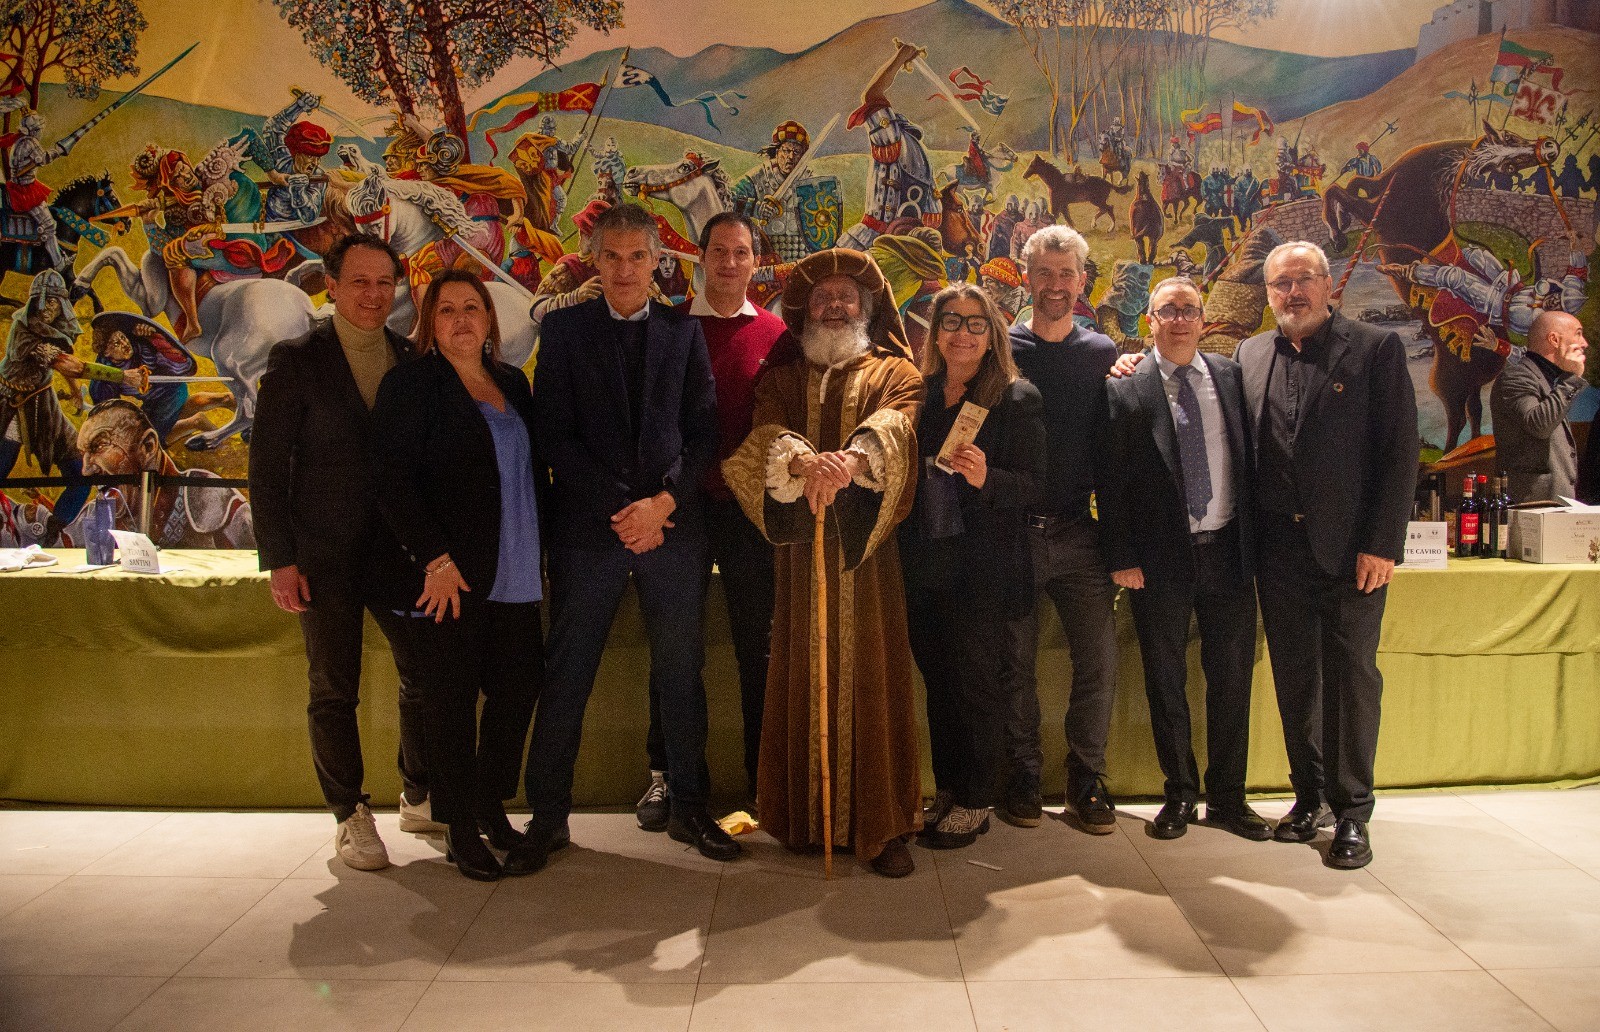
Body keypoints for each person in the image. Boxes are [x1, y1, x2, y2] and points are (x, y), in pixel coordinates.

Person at [508, 203, 736, 875]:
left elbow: (704, 432)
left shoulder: (683, 331)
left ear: (658, 262)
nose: (626, 269)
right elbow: (554, 434)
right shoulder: (565, 330)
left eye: (639, 256)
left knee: (680, 672)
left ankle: (690, 807)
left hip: (674, 526)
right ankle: (548, 817)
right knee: (568, 671)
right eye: (613, 256)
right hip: (590, 529)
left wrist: (661, 504)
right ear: (595, 260)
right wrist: (623, 510)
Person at [722, 247, 924, 877]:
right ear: (804, 311)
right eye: (823, 297)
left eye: (847, 296)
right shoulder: (782, 379)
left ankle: (880, 824)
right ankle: (803, 818)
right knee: (798, 666)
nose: (835, 305)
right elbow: (765, 433)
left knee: (873, 673)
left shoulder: (895, 371)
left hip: (869, 563)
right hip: (799, 559)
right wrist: (801, 460)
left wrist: (852, 461)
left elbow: (899, 423)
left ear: (867, 307)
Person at [250, 233, 434, 872]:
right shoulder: (297, 359)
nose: (374, 295)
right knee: (333, 686)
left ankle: (419, 792)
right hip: (322, 556)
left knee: (424, 671)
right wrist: (279, 558)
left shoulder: (410, 357)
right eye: (360, 281)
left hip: (399, 553)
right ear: (331, 287)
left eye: (385, 282)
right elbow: (267, 465)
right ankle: (349, 813)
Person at [1242, 241, 1417, 869]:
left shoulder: (1375, 349)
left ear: (1327, 284)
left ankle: (1352, 813)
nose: (1293, 293)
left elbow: (1401, 453)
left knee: (1350, 681)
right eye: (1281, 283)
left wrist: (1382, 544)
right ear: (1269, 293)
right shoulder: (1250, 353)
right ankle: (1308, 796)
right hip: (1277, 553)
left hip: (1351, 555)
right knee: (1295, 679)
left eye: (1304, 280)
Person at [369, 270, 542, 882]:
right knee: (450, 702)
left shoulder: (513, 384)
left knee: (517, 690)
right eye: (447, 310)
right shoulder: (410, 386)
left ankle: (490, 804)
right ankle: (459, 828)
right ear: (429, 324)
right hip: (450, 577)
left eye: (473, 307)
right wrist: (434, 559)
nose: (462, 319)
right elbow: (391, 482)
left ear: (490, 319)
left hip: (517, 567)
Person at [1098, 277, 1269, 842]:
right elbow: (1112, 481)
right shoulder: (1126, 387)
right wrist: (1122, 555)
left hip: (1228, 552)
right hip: (1158, 561)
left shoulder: (1231, 376)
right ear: (1150, 320)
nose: (1178, 320)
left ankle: (1229, 799)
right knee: (1166, 681)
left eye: (1188, 310)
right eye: (1166, 310)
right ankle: (1179, 794)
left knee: (1231, 681)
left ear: (1203, 320)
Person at [635, 213, 786, 829]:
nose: (729, 262)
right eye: (718, 251)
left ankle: (765, 780)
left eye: (740, 252)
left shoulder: (777, 334)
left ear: (756, 261)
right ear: (700, 257)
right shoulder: (668, 327)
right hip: (680, 509)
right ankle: (666, 778)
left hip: (749, 514)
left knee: (760, 647)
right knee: (675, 647)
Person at [900, 283, 1043, 849]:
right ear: (936, 332)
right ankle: (950, 789)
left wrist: (988, 478)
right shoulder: (920, 395)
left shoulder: (1015, 397)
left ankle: (978, 799)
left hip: (981, 570)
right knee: (939, 684)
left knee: (976, 686)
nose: (963, 333)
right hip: (924, 564)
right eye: (952, 322)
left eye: (976, 323)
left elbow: (1035, 486)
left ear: (993, 334)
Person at [1002, 225, 1121, 835]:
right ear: (1027, 277)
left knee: (1098, 660)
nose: (1055, 285)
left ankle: (1086, 779)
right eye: (1044, 273)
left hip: (1080, 533)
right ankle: (1022, 777)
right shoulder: (1001, 347)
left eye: (1066, 274)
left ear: (1082, 279)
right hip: (1012, 534)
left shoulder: (1103, 353)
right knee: (1014, 665)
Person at [2, 270, 147, 531]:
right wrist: (122, 376)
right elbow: (69, 364)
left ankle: (54, 528)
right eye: (42, 301)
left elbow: (62, 363)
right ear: (34, 301)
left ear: (61, 303)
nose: (47, 308)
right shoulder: (24, 332)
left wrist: (75, 391)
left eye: (53, 301)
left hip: (43, 404)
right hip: (10, 406)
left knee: (80, 470)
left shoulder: (52, 328)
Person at [76, 399, 255, 549]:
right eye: (83, 454)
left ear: (148, 446)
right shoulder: (94, 514)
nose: (86, 470)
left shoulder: (213, 500)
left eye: (99, 446)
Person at [1490, 310, 1590, 504]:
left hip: (1554, 504)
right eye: (1578, 334)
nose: (1584, 343)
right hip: (1532, 505)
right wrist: (1572, 379)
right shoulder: (1516, 376)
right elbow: (1539, 425)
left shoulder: (1551, 380)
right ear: (1554, 339)